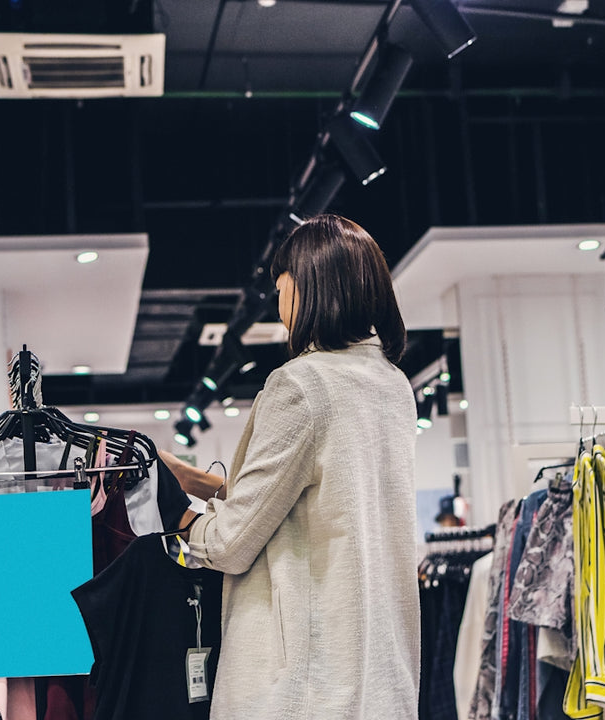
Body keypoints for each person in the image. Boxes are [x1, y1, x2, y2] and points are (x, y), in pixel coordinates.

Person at [159, 214, 421, 719]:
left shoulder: (300, 385)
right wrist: (198, 482)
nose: (280, 306)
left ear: (309, 287)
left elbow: (232, 545)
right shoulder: (392, 385)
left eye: (283, 288)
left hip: (301, 686)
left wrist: (175, 509)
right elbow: (318, 498)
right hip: (378, 679)